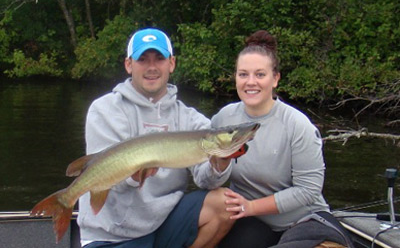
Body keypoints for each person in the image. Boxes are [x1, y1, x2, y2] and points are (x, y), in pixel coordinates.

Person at [77, 27, 234, 248]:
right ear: (129, 64)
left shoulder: (189, 119)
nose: (152, 67)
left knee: (225, 203)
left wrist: (220, 162)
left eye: (159, 58)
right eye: (143, 59)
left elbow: (206, 181)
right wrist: (134, 176)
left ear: (171, 63)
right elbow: (109, 180)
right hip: (112, 234)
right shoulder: (104, 109)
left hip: (163, 222)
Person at [211, 30, 354, 248]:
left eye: (260, 75)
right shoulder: (224, 118)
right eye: (243, 74)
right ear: (235, 78)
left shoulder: (297, 124)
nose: (251, 82)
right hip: (253, 223)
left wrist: (251, 207)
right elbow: (207, 175)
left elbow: (308, 190)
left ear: (275, 79)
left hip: (303, 220)